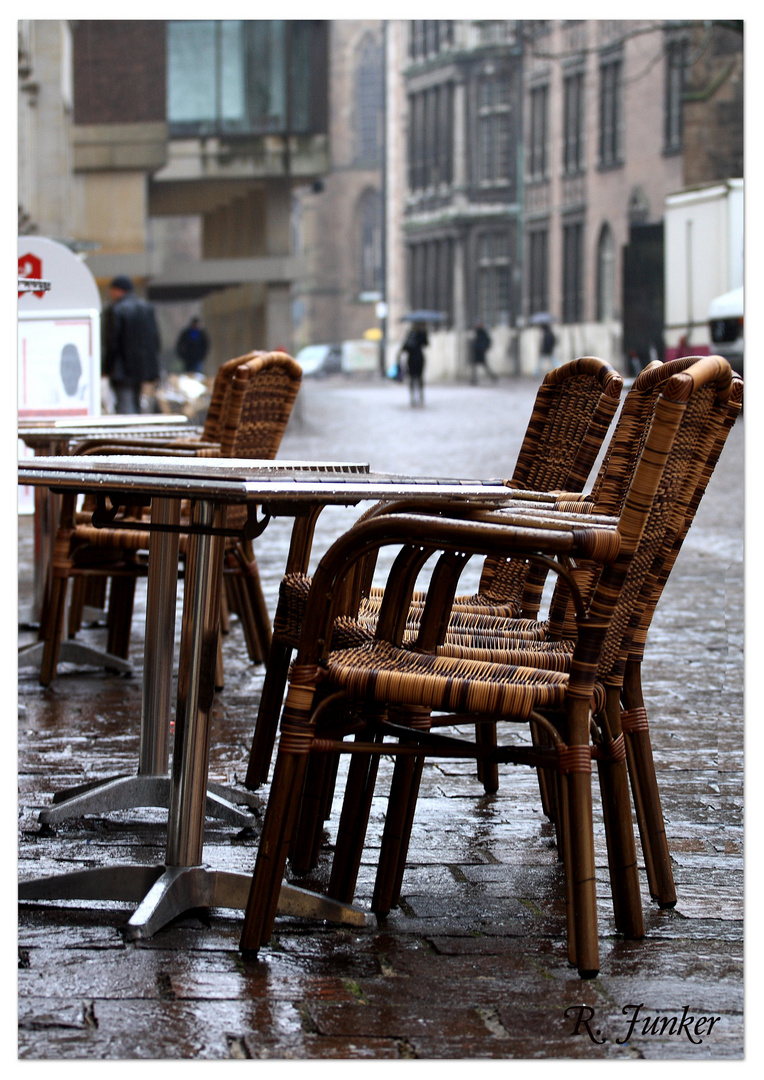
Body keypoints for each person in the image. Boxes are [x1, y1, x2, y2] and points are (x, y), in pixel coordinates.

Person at [102, 275, 161, 414]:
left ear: (118, 290)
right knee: (137, 403)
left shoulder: (116, 310)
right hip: (143, 368)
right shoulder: (147, 308)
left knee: (125, 406)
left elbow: (112, 343)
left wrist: (105, 367)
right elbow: (155, 339)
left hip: (122, 368)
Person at [399, 323, 428, 406]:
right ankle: (414, 396)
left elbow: (426, 344)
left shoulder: (421, 334)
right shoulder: (410, 335)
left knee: (418, 378)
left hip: (417, 359)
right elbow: (404, 347)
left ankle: (419, 395)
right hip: (413, 359)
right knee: (413, 378)